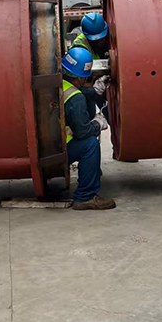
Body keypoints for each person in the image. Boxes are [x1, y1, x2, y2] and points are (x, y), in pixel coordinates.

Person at [62, 47, 116, 210]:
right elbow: (83, 132)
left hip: (48, 146)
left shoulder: (58, 83)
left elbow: (76, 91)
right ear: (81, 77)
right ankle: (85, 196)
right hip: (60, 149)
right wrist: (97, 124)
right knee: (90, 144)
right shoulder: (76, 99)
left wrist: (94, 91)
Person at [72, 12, 110, 121]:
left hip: (104, 83)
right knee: (91, 113)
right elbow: (75, 83)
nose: (99, 42)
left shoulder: (110, 37)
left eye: (101, 39)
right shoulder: (79, 49)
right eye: (95, 40)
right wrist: (93, 89)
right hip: (90, 86)